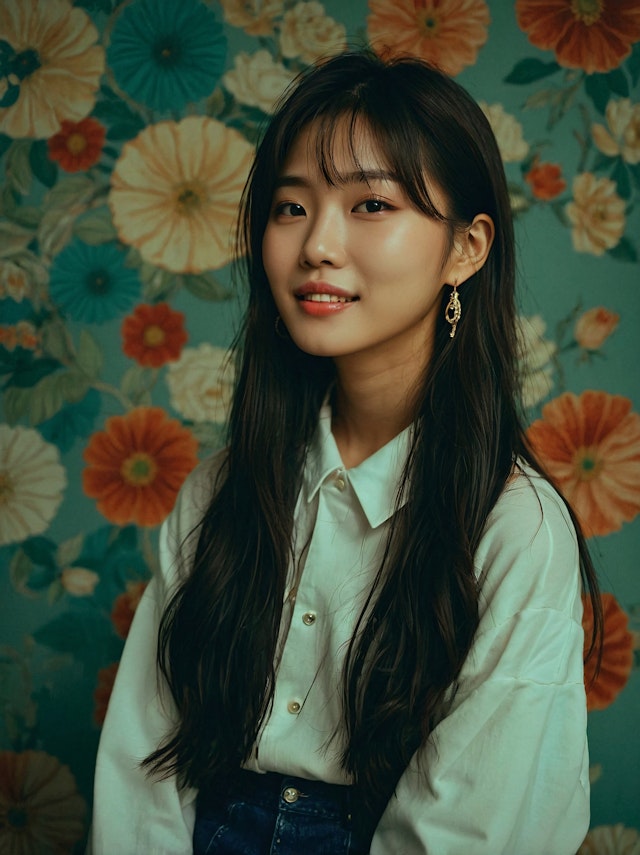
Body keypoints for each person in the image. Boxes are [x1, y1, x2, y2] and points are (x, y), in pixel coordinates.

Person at [89, 50, 602, 855]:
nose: (317, 245)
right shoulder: (219, 490)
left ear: (466, 249)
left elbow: (470, 829)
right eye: (292, 206)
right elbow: (141, 774)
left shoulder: (515, 526)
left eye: (370, 204)